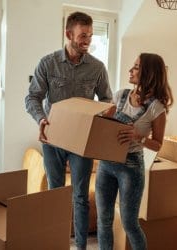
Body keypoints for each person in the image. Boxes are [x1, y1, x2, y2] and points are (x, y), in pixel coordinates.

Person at [25, 11, 112, 250]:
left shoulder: (97, 68)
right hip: (52, 140)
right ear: (68, 34)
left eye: (90, 36)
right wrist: (41, 119)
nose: (88, 40)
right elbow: (33, 97)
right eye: (83, 35)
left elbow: (107, 100)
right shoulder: (48, 63)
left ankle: (81, 246)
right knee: (56, 196)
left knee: (81, 198)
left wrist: (100, 119)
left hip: (82, 143)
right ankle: (57, 244)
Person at [95, 53, 173, 250]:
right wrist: (103, 118)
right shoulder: (120, 95)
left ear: (148, 73)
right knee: (103, 220)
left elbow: (157, 144)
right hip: (106, 164)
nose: (130, 70)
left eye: (136, 67)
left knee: (130, 223)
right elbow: (105, 125)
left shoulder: (157, 108)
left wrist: (139, 137)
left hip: (130, 167)